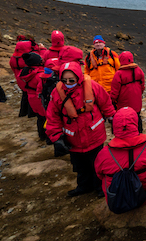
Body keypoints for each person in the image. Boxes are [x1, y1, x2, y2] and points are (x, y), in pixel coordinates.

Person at [45, 61, 116, 197]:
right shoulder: (57, 93)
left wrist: (113, 119)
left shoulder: (92, 87)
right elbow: (52, 117)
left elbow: (106, 103)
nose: (68, 82)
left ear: (79, 77)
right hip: (73, 139)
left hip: (94, 136)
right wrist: (57, 138)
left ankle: (100, 187)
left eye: (71, 80)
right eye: (64, 80)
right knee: (79, 166)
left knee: (98, 164)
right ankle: (84, 186)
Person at [94, 107, 146, 210]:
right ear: (137, 124)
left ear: (114, 126)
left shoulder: (103, 154)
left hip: (117, 200)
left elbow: (99, 175)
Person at [110, 51, 145, 132]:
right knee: (137, 116)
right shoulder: (139, 70)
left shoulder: (119, 74)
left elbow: (115, 91)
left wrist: (112, 101)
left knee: (124, 119)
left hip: (124, 102)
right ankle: (139, 133)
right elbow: (142, 86)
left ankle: (126, 133)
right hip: (137, 101)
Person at [19, 52, 47, 141]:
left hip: (31, 97)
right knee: (46, 117)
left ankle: (41, 135)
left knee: (39, 117)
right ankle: (47, 136)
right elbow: (43, 88)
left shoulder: (25, 72)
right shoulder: (39, 75)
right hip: (39, 98)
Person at [10, 40, 34, 117]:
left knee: (24, 95)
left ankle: (23, 112)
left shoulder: (13, 58)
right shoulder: (27, 58)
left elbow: (13, 68)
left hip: (20, 78)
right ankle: (31, 113)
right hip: (28, 78)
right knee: (31, 95)